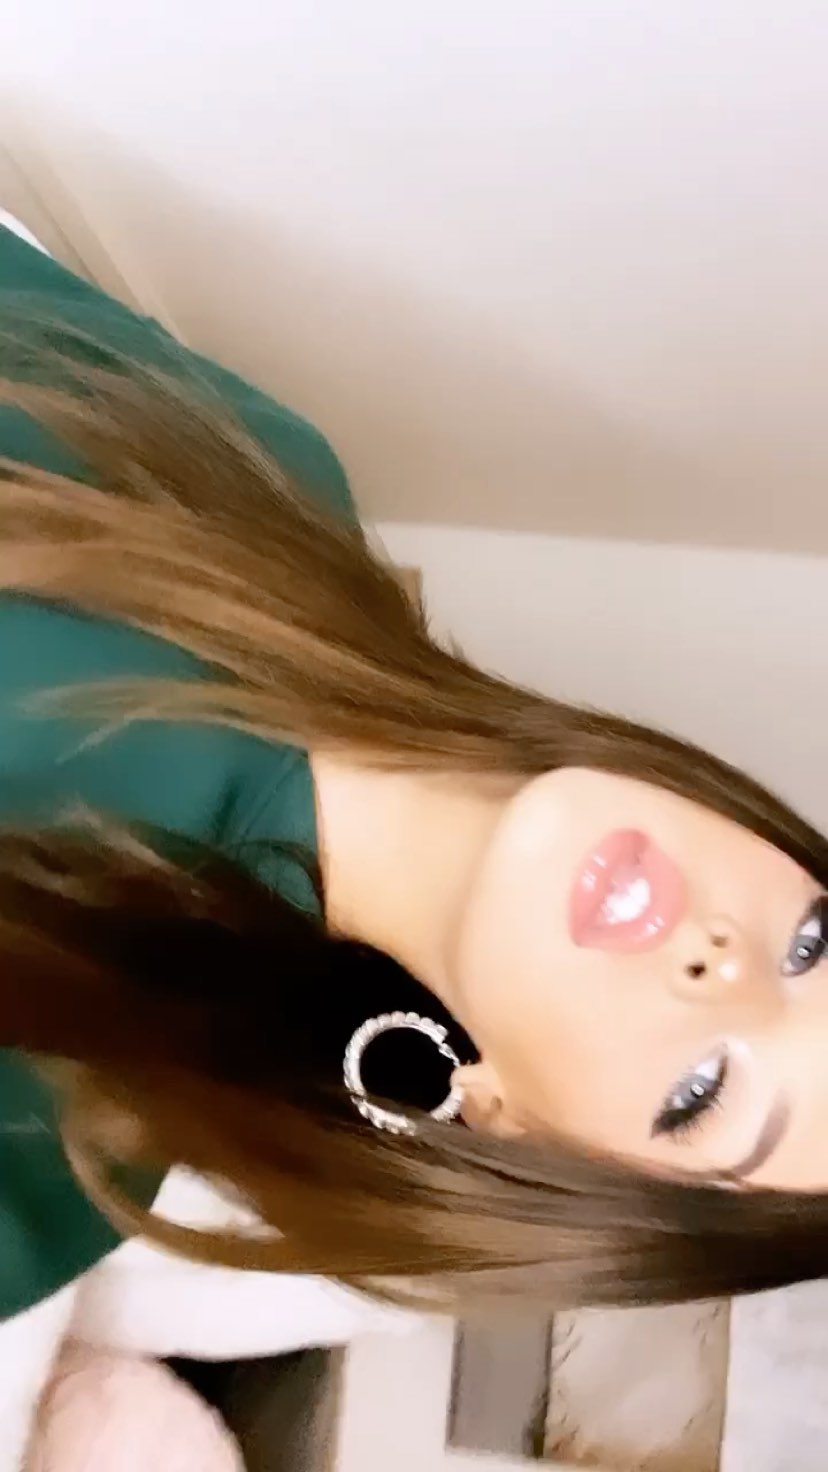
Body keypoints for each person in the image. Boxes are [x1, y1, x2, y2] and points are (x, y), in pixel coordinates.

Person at [0, 217, 826, 1462]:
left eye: (701, 1092)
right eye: (814, 945)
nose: (727, 961)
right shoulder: (280, 479)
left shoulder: (58, 1139)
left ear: (514, 1133)